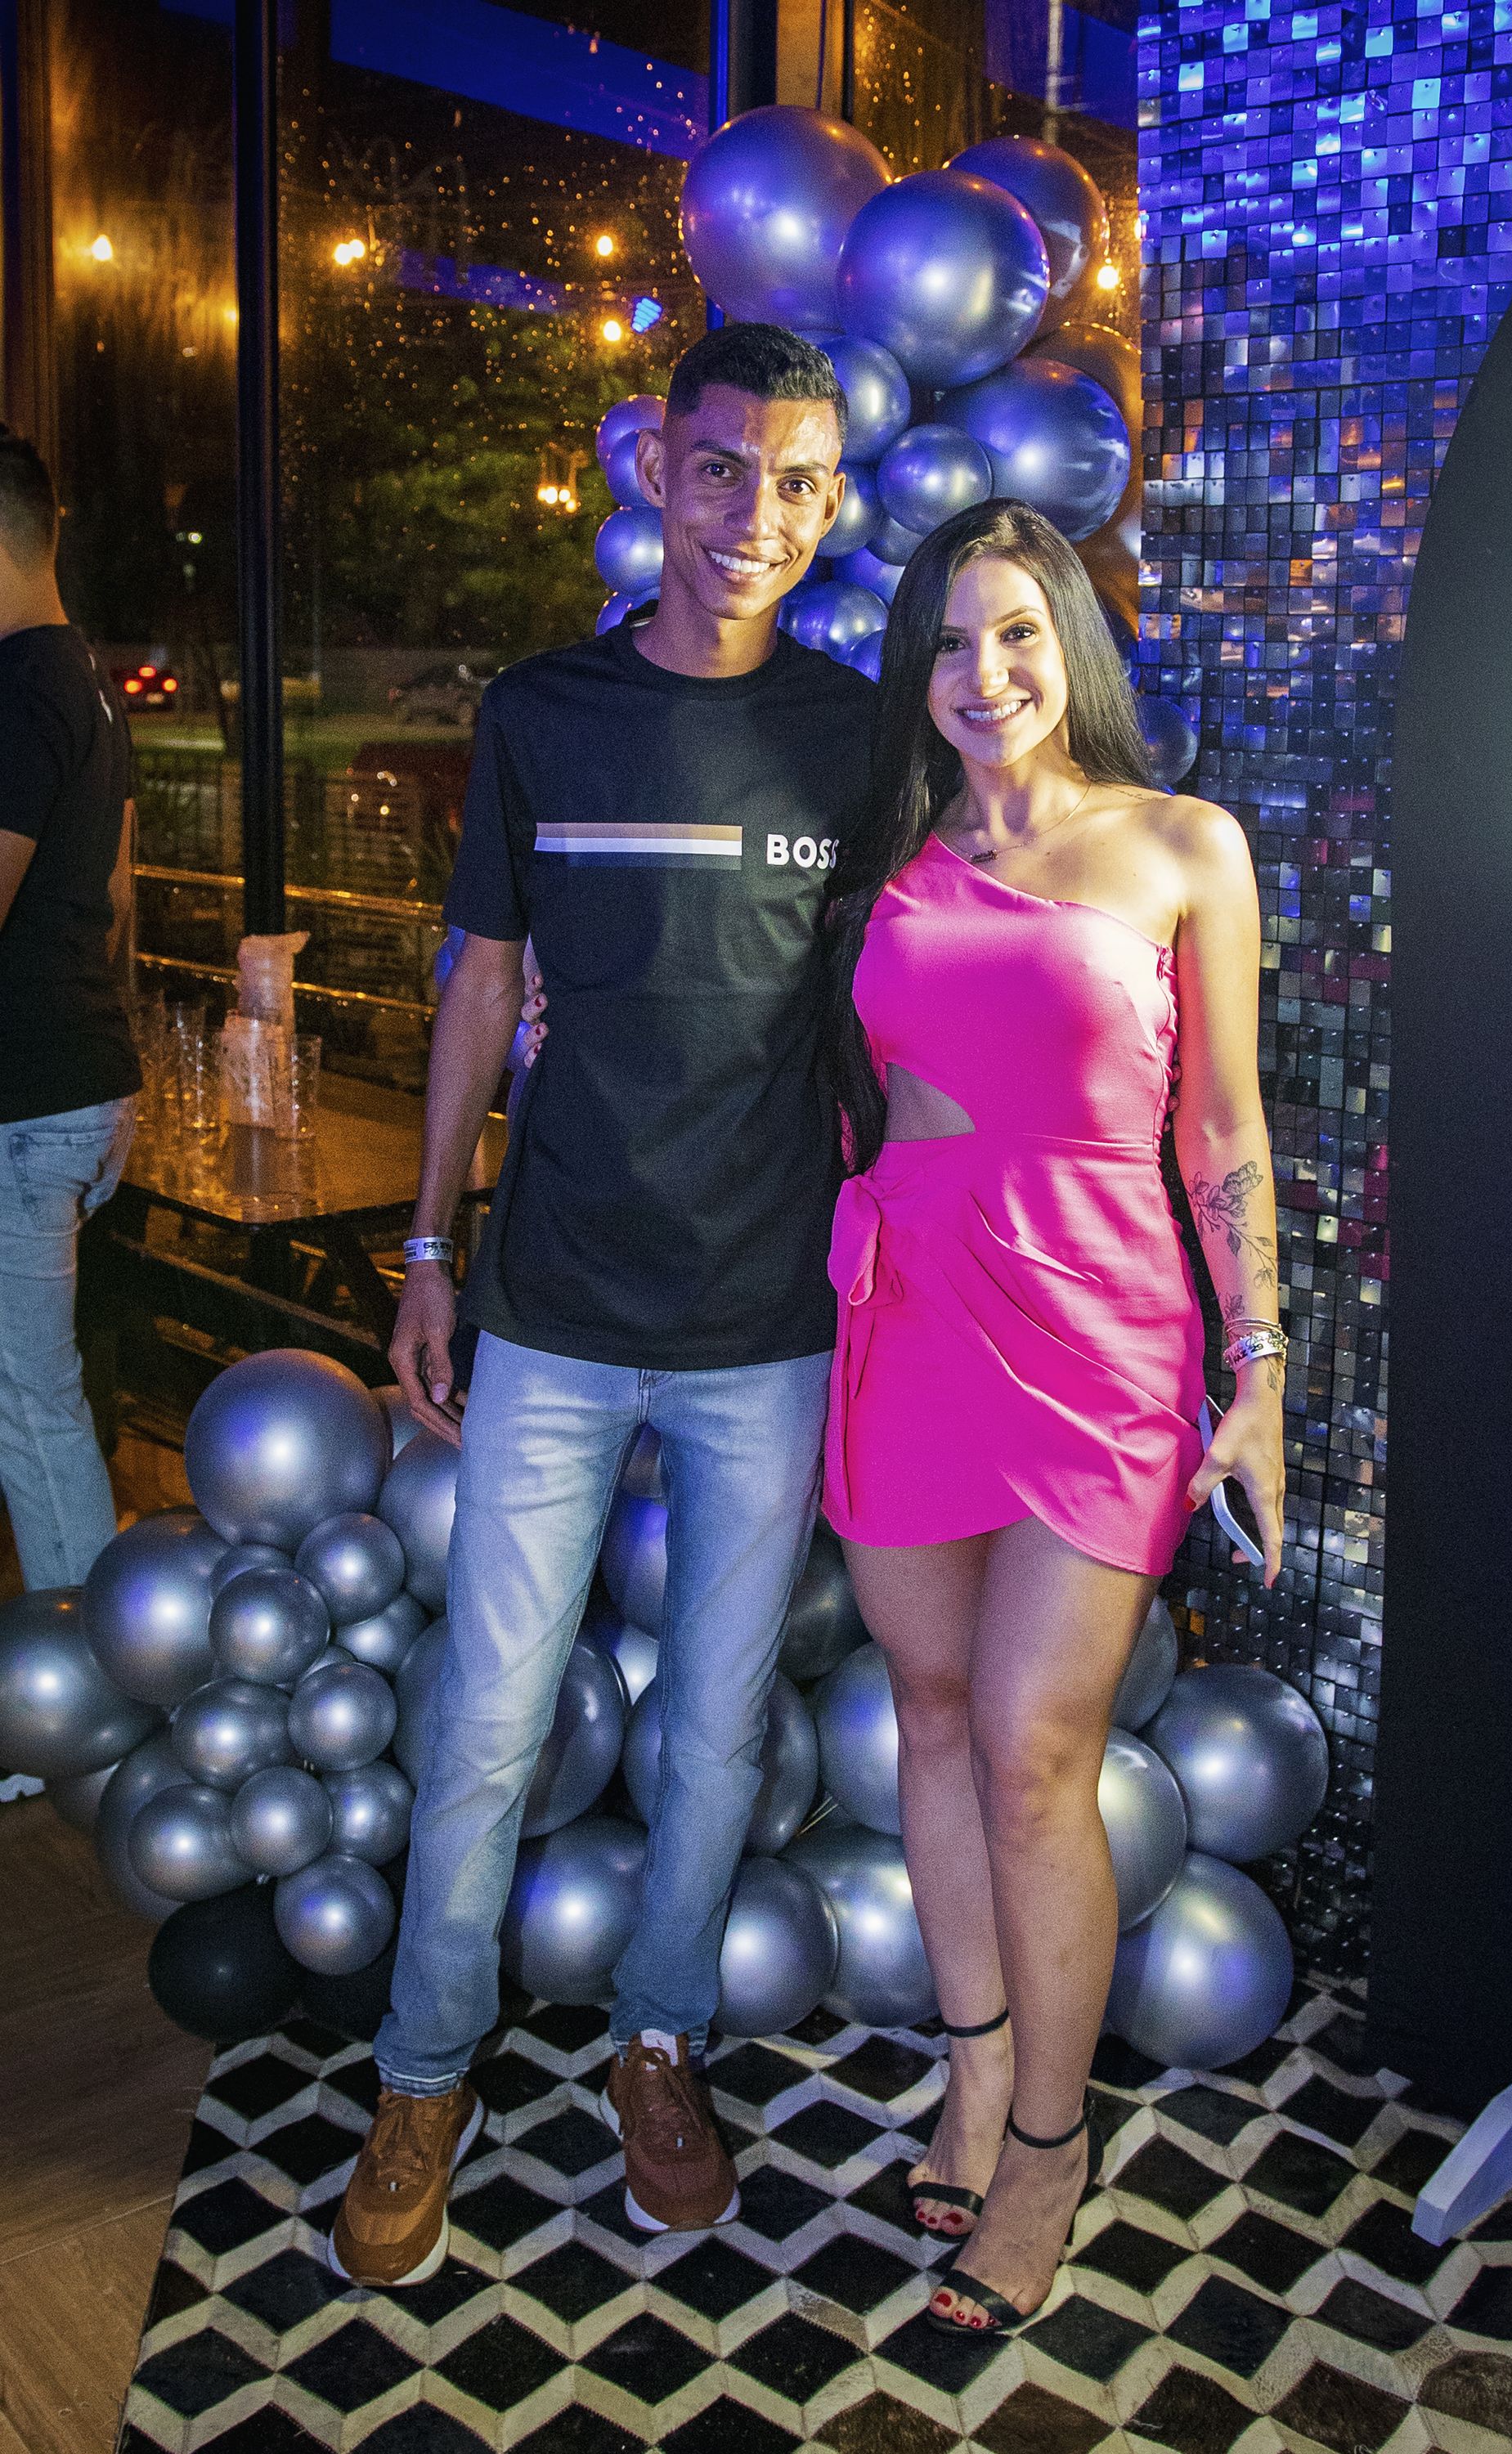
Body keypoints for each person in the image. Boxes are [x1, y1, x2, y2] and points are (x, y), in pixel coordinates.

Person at [330, 325, 876, 2288]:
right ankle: (424, 2075)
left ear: (832, 498)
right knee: (484, 1721)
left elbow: (892, 1003)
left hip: (768, 1321)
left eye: (798, 481)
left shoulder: (856, 737)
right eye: (724, 469)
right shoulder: (540, 713)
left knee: (714, 1736)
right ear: (657, 469)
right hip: (554, 1302)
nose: (758, 516)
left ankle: (659, 2043)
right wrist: (424, 1248)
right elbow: (482, 984)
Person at [823, 499, 1286, 2338]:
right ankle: (975, 2058)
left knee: (1032, 1745)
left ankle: (1046, 2143)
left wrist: (1259, 1371)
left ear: (1071, 642)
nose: (984, 671)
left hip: (1103, 1331)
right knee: (935, 1714)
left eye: (1017, 630)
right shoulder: (882, 849)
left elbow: (1225, 1128)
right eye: (948, 641)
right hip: (912, 1312)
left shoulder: (1182, 844)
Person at [0, 427, 141, 1589]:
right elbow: (118, 897)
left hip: (25, 1099)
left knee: (31, 1404)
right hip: (78, 1082)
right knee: (37, 1395)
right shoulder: (86, 677)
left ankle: (92, 1672)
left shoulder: (15, 691)